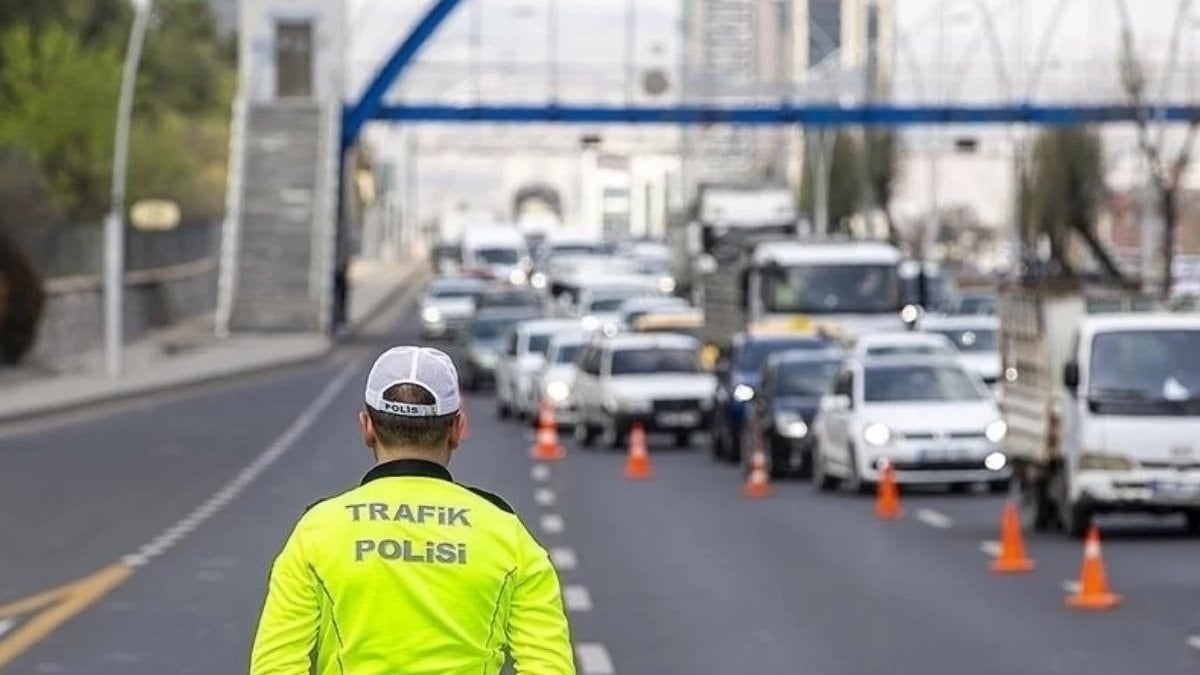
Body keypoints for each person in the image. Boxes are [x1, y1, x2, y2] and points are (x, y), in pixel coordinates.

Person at [249, 346, 575, 674]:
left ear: (367, 427)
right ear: (457, 429)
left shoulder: (317, 531)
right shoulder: (507, 534)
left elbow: (275, 666)